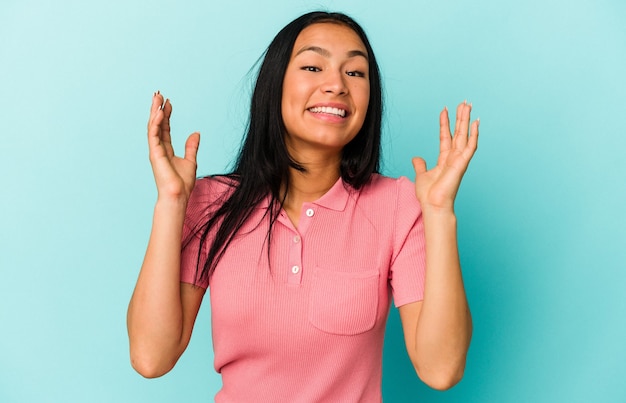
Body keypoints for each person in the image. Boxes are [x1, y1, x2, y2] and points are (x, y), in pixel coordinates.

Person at [127, 11, 477, 402]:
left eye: (356, 73)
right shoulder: (212, 202)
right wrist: (172, 201)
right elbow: (150, 357)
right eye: (313, 66)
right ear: (274, 86)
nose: (336, 85)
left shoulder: (398, 205)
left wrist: (441, 213)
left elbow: (441, 369)